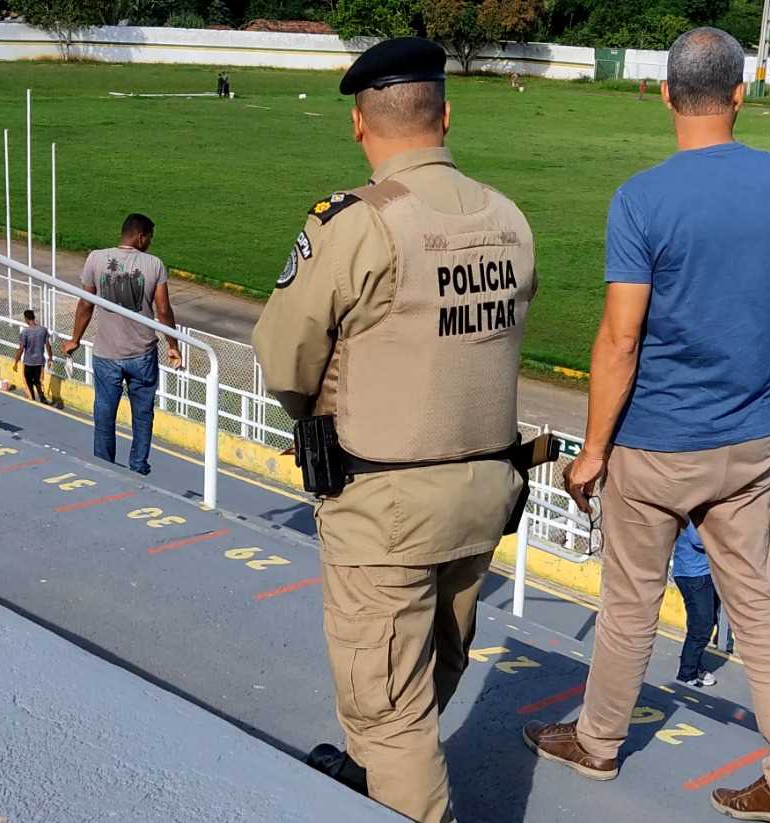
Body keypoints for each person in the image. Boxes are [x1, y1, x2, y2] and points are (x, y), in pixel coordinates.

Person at [521, 27, 770, 823]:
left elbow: (620, 338)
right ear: (741, 94)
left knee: (632, 604)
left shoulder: (641, 198)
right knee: (759, 613)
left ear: (667, 95)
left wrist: (592, 450)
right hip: (746, 448)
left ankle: (598, 743)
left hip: (653, 446)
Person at [251, 37, 536, 823]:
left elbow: (283, 356)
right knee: (432, 669)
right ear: (446, 115)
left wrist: (318, 413)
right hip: (484, 495)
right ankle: (379, 780)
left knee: (387, 708)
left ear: (358, 124)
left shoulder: (356, 223)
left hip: (383, 503)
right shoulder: (508, 218)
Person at [62, 213, 181, 476]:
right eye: (149, 237)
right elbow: (164, 310)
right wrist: (173, 345)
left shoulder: (95, 258)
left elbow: (85, 303)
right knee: (142, 415)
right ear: (140, 236)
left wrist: (75, 339)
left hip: (106, 353)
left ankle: (104, 469)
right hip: (142, 354)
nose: (150, 242)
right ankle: (138, 467)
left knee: (104, 414)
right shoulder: (155, 264)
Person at [671, 523, 719, 688]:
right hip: (693, 575)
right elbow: (697, 539)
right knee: (701, 626)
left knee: (707, 621)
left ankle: (693, 663)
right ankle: (687, 673)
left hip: (704, 573)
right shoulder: (699, 505)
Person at [12, 309, 53, 404]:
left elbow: (21, 349)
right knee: (37, 381)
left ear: (26, 319)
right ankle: (42, 398)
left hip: (29, 362)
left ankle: (32, 399)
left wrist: (16, 362)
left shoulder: (25, 332)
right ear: (34, 317)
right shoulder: (43, 330)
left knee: (28, 381)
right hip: (40, 361)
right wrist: (50, 358)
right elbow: (48, 345)